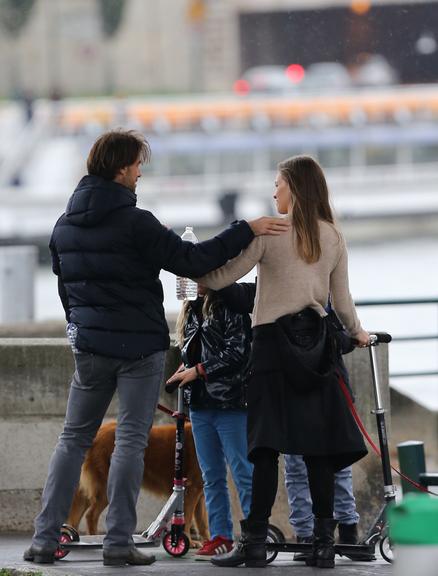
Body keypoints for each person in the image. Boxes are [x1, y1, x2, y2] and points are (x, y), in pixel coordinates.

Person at [23, 129, 290, 567]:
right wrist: (246, 229)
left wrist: (82, 327)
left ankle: (43, 539)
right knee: (131, 439)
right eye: (137, 165)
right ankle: (117, 543)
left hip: (89, 347)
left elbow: (65, 287)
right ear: (121, 167)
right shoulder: (136, 222)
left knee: (72, 439)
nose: (139, 173)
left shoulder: (64, 225)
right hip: (139, 348)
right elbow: (193, 261)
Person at [193, 155, 370, 569]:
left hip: (272, 349)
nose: (274, 192)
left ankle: (255, 543)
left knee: (265, 447)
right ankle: (324, 546)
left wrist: (198, 278)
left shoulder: (271, 232)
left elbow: (221, 278)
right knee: (318, 452)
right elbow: (342, 303)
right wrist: (358, 332)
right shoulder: (333, 236)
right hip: (318, 352)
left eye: (278, 184)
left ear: (294, 186)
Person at [167, 283, 254, 559]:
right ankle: (220, 536)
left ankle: (255, 534)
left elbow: (238, 352)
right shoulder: (191, 310)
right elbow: (197, 352)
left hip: (230, 402)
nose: (190, 282)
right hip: (201, 405)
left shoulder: (229, 306)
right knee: (210, 476)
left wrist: (199, 370)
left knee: (243, 472)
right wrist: (187, 368)